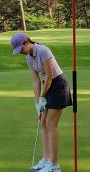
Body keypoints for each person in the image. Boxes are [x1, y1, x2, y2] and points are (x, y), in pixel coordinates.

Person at [10, 32, 72, 172]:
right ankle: (46, 159)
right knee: (42, 121)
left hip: (58, 85)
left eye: (21, 49)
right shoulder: (28, 57)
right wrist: (37, 103)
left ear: (26, 42)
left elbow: (50, 76)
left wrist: (42, 97)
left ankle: (54, 165)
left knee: (51, 123)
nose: (20, 53)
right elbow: (36, 81)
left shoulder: (43, 50)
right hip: (47, 86)